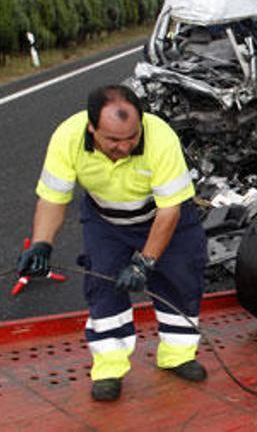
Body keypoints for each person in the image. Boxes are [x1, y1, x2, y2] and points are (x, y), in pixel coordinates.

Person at [16, 85, 208, 402]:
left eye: (131, 137)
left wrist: (145, 261)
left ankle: (177, 355)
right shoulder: (68, 137)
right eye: (114, 140)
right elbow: (52, 198)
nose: (125, 146)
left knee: (180, 279)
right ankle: (108, 368)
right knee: (102, 284)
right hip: (106, 219)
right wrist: (41, 244)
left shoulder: (160, 137)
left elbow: (170, 209)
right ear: (92, 129)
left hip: (162, 215)